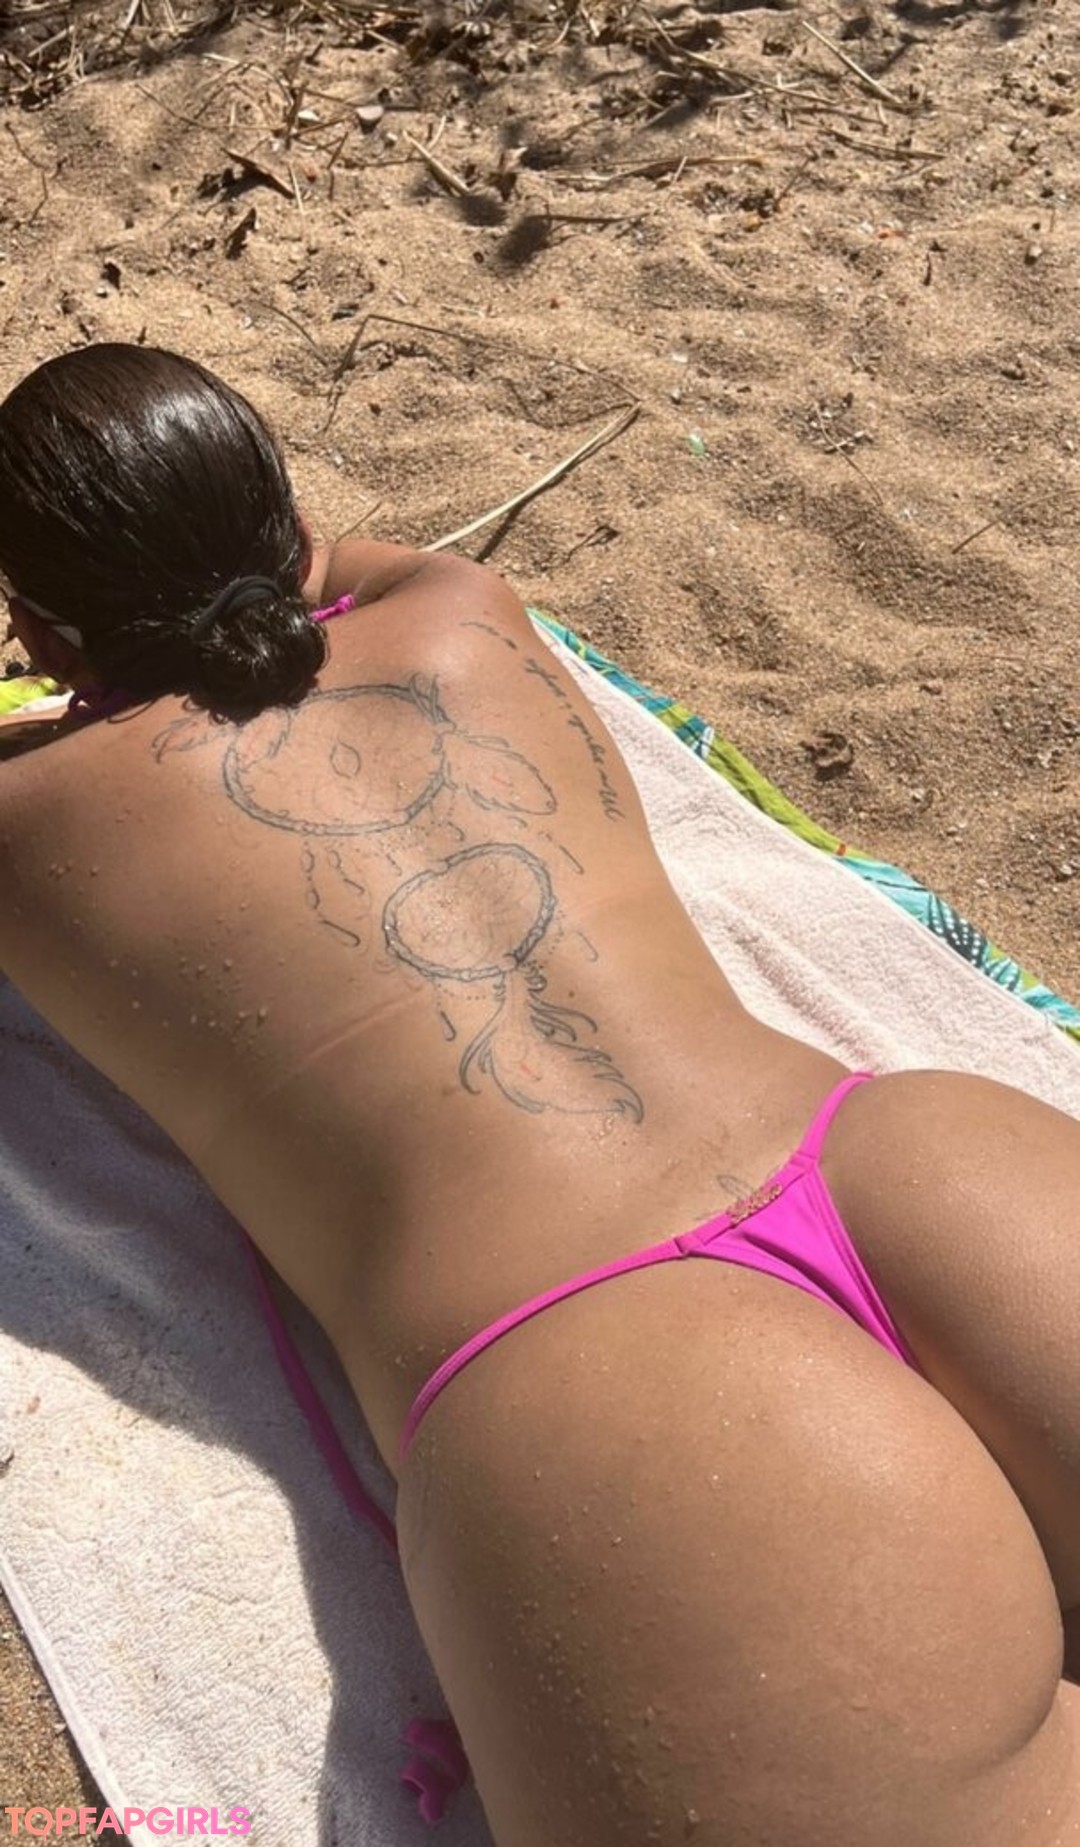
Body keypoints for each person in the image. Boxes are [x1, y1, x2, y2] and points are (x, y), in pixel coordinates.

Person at [0, 342, 1076, 1847]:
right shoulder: (457, 608)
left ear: (35, 625)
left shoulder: (24, 817)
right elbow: (331, 565)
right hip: (913, 1162)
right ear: (284, 516)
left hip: (600, 1360)